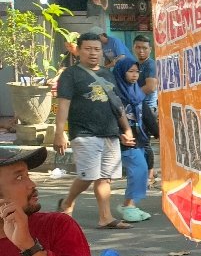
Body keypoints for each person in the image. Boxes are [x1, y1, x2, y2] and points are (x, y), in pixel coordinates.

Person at [54, 32, 136, 229]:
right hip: (84, 132)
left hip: (109, 131)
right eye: (88, 49)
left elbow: (117, 104)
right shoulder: (70, 74)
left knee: (105, 177)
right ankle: (67, 202)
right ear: (78, 50)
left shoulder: (107, 74)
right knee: (88, 175)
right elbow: (63, 104)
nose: (93, 53)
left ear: (102, 51)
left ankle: (105, 217)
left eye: (97, 49)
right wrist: (59, 132)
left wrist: (126, 129)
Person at [111, 58, 152, 222]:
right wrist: (119, 134)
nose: (135, 75)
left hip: (139, 137)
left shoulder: (137, 92)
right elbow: (110, 117)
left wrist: (160, 133)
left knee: (139, 172)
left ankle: (130, 205)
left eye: (137, 72)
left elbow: (147, 115)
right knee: (139, 169)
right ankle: (128, 206)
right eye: (130, 71)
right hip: (124, 140)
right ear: (121, 73)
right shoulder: (114, 93)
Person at [132, 35, 158, 188]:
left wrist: (130, 96)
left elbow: (150, 87)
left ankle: (150, 175)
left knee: (145, 142)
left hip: (148, 108)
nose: (141, 51)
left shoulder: (150, 65)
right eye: (138, 47)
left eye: (144, 48)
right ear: (133, 48)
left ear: (150, 49)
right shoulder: (135, 64)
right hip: (137, 107)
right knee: (139, 142)